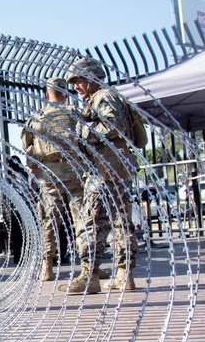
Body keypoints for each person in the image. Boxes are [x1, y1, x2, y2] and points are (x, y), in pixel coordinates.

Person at [64, 57, 138, 293]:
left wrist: (83, 130)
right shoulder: (105, 96)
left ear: (92, 78)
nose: (76, 86)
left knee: (92, 222)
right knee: (120, 223)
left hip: (105, 171)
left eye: (79, 80)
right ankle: (124, 275)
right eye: (73, 82)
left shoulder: (103, 97)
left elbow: (114, 126)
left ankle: (90, 276)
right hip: (115, 169)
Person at [22, 76, 84, 281]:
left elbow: (28, 147)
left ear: (46, 94)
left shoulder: (37, 117)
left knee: (49, 219)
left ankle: (47, 267)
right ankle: (88, 265)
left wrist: (34, 170)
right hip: (76, 171)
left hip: (50, 173)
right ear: (66, 93)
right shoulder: (76, 114)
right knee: (82, 218)